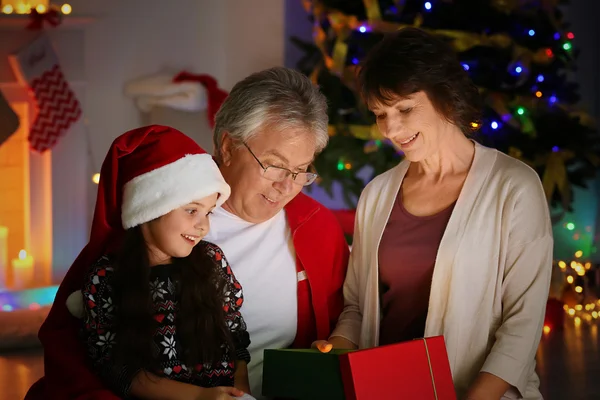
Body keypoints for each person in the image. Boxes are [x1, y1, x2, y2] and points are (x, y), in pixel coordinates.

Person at [26, 67, 349, 400]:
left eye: (300, 171)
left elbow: (342, 329)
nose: (286, 186)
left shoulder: (316, 228)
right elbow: (85, 357)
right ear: (227, 146)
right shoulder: (156, 220)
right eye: (275, 165)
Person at [318, 28, 553, 400]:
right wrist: (337, 346)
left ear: (445, 95)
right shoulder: (377, 195)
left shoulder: (514, 187)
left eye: (405, 109)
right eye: (380, 114)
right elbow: (357, 307)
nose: (391, 129)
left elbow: (522, 325)